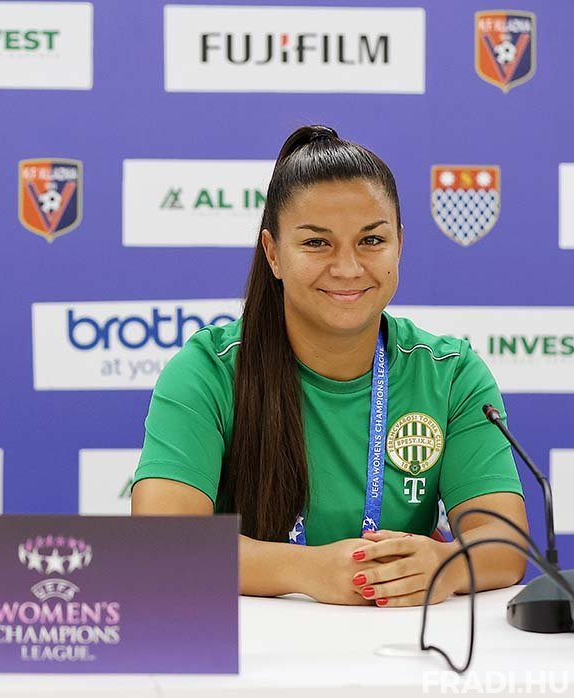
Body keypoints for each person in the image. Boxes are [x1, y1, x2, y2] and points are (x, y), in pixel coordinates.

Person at [131, 125, 528, 607]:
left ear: (399, 246)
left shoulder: (450, 373)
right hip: (250, 649)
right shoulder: (207, 370)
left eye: (371, 240)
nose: (347, 268)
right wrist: (307, 569)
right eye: (317, 243)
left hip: (397, 645)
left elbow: (504, 545)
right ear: (273, 253)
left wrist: (445, 564)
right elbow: (162, 545)